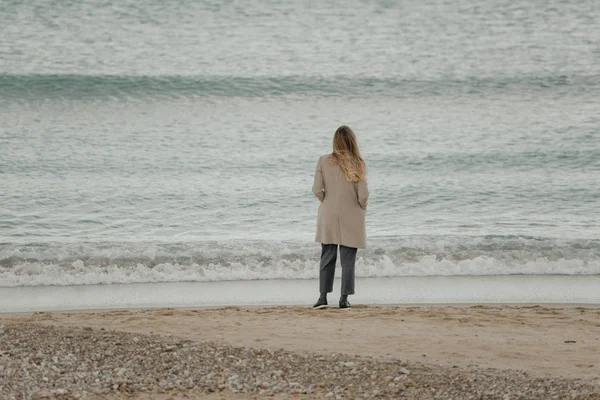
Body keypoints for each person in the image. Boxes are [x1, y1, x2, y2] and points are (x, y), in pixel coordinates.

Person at [312, 125, 369, 309]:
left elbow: (316, 190)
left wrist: (326, 201)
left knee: (327, 256)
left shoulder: (323, 161)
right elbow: (364, 194)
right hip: (351, 215)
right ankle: (344, 299)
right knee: (348, 260)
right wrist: (361, 207)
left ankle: (322, 297)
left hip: (328, 214)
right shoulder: (358, 163)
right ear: (352, 140)